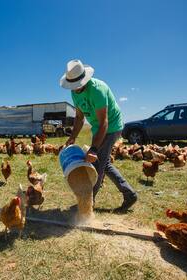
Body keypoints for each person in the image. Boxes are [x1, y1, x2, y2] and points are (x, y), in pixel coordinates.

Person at [60, 59, 137, 211]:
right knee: (104, 163)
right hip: (98, 127)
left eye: (77, 86)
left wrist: (94, 149)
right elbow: (79, 118)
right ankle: (130, 194)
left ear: (83, 80)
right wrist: (73, 136)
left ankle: (88, 202)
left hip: (112, 126)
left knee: (97, 164)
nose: (75, 89)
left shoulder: (97, 90)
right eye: (73, 86)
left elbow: (104, 122)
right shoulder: (74, 93)